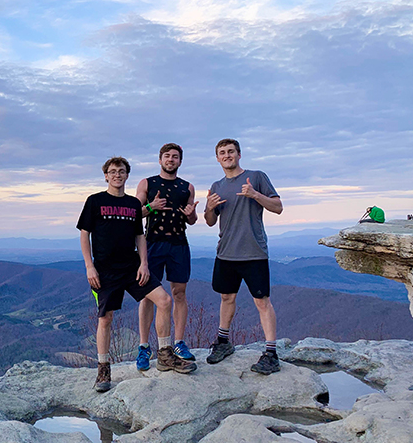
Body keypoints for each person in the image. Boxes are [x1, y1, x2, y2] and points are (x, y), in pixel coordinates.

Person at [78, 156, 196, 393]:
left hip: (132, 266)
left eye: (121, 171)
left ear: (126, 175)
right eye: (112, 172)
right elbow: (84, 233)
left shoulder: (133, 205)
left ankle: (164, 354)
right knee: (105, 319)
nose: (117, 175)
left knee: (164, 300)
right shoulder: (95, 201)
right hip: (105, 270)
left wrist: (144, 263)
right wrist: (89, 266)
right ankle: (103, 368)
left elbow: (140, 236)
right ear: (106, 176)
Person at [204, 139, 284, 375]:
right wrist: (208, 207)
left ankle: (271, 353)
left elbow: (278, 207)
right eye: (222, 153)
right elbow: (209, 222)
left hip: (253, 252)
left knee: (262, 302)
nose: (227, 155)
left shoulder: (256, 177)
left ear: (239, 155)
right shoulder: (216, 185)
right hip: (226, 252)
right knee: (226, 297)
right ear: (217, 159)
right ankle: (223, 342)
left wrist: (255, 194)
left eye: (231, 151)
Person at [134, 143, 199, 371]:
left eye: (175, 157)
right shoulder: (147, 183)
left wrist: (192, 215)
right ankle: (144, 346)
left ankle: (179, 343)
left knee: (179, 293)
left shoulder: (187, 187)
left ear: (180, 161)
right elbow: (134, 213)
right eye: (167, 156)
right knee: (147, 295)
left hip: (179, 243)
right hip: (153, 243)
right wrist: (150, 208)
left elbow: (192, 219)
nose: (171, 160)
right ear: (160, 159)